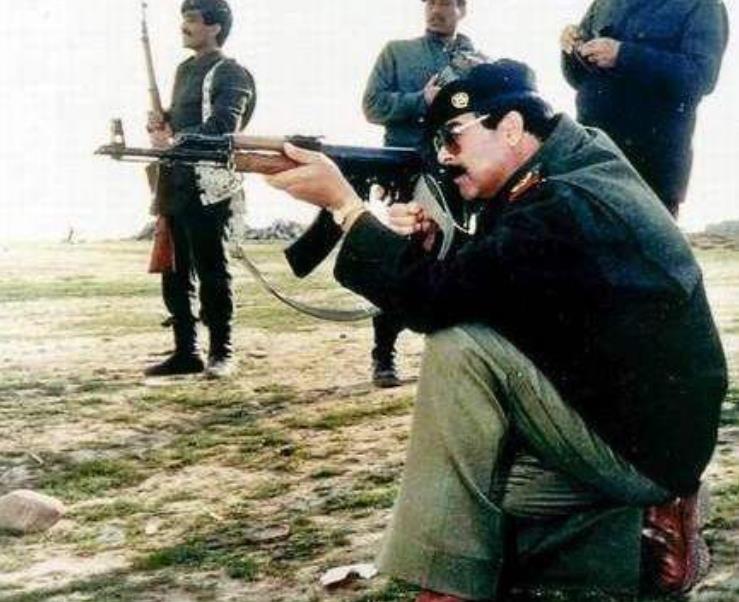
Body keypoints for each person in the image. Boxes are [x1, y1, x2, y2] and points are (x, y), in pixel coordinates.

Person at [265, 61, 727, 601]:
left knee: (459, 360)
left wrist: (346, 207)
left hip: (635, 447)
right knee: (487, 497)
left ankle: (450, 586)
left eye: (452, 138)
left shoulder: (561, 202)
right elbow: (506, 281)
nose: (443, 156)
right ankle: (647, 525)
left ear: (510, 128)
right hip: (647, 433)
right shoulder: (575, 168)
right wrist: (431, 244)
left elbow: (439, 302)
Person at [362, 0, 484, 387]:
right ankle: (384, 354)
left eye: (444, 2)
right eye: (429, 1)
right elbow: (372, 105)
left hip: (456, 173)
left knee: (458, 259)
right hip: (407, 172)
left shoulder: (477, 60)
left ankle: (453, 357)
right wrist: (421, 100)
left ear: (461, 8)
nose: (435, 9)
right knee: (402, 257)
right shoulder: (397, 53)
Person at [146, 0, 256, 379]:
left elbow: (224, 128)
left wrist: (174, 138)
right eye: (184, 19)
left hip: (210, 186)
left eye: (191, 19)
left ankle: (221, 352)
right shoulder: (184, 70)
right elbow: (180, 122)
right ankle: (186, 352)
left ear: (215, 27)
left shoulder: (232, 72)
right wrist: (160, 123)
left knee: (212, 269)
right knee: (174, 271)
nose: (184, 26)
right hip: (175, 181)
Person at [560, 0, 729, 217]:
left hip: (650, 170)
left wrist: (623, 55)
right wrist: (571, 49)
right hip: (591, 159)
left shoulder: (702, 5)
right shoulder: (603, 3)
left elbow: (701, 77)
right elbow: (578, 79)